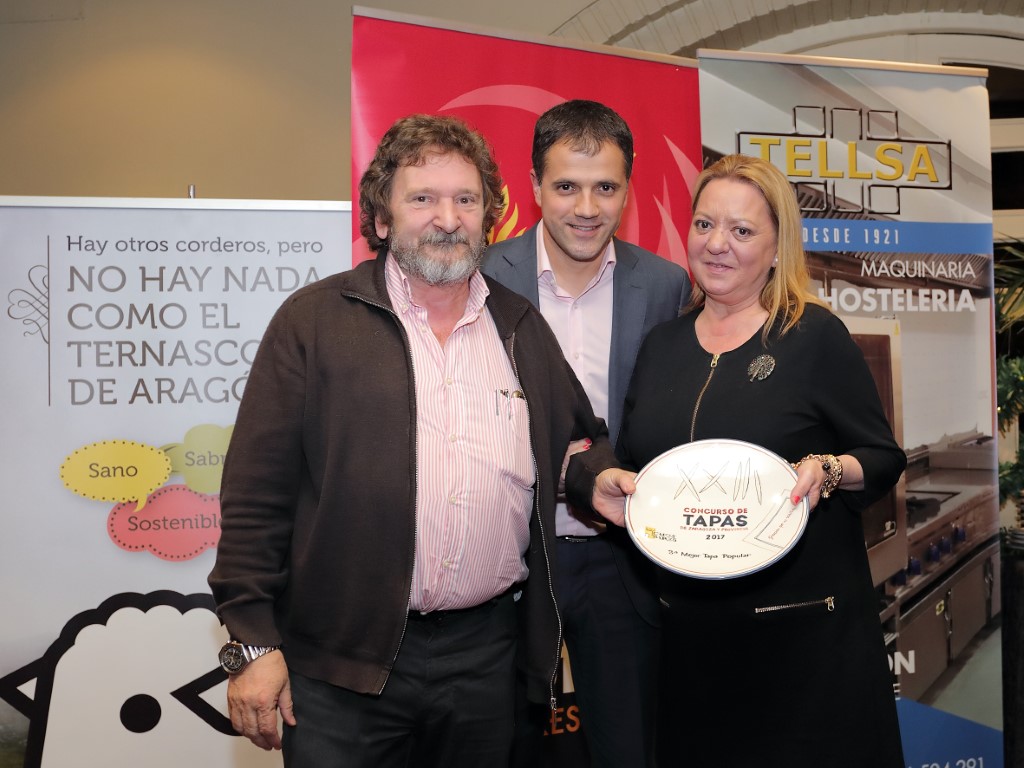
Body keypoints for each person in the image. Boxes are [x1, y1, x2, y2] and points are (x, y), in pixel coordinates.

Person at [207, 114, 628, 768]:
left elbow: (576, 441)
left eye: (466, 200)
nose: (448, 219)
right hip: (340, 665)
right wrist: (254, 645)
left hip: (486, 659)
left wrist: (597, 480)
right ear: (381, 218)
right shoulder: (314, 323)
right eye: (423, 198)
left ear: (489, 216)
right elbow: (255, 496)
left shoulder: (519, 326)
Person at [590, 154, 907, 767]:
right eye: (705, 224)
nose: (717, 244)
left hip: (803, 646)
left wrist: (830, 469)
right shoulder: (662, 345)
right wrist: (610, 479)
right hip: (691, 644)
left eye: (741, 230)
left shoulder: (813, 336)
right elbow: (637, 464)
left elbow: (882, 457)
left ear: (776, 247)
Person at [482, 99, 689, 767]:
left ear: (628, 189)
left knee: (628, 748)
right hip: (513, 557)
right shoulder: (481, 277)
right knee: (503, 749)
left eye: (606, 187)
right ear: (535, 185)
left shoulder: (665, 286)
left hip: (620, 560)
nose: (586, 207)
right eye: (567, 186)